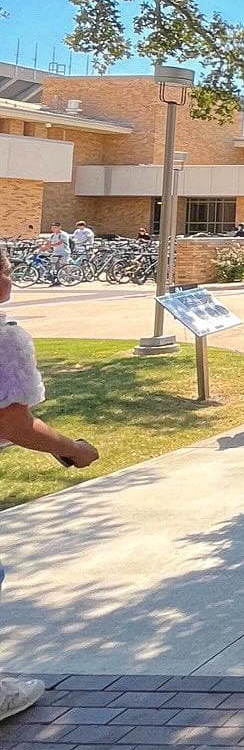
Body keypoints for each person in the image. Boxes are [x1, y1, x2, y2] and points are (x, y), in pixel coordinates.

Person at [0, 243, 98, 722]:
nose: (11, 276)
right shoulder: (6, 340)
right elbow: (13, 422)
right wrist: (73, 448)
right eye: (7, 268)